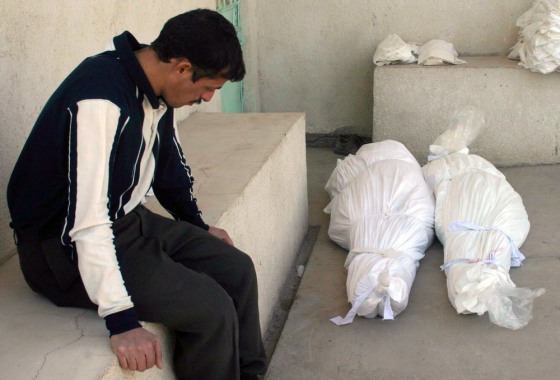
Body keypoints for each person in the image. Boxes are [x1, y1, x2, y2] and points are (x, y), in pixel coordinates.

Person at [7, 9, 266, 380]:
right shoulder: (101, 100)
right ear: (182, 68)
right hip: (61, 251)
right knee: (211, 310)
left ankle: (251, 375)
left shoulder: (156, 88)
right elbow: (86, 221)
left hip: (127, 222)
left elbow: (169, 167)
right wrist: (121, 320)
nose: (208, 98)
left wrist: (196, 225)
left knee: (236, 269)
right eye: (208, 87)